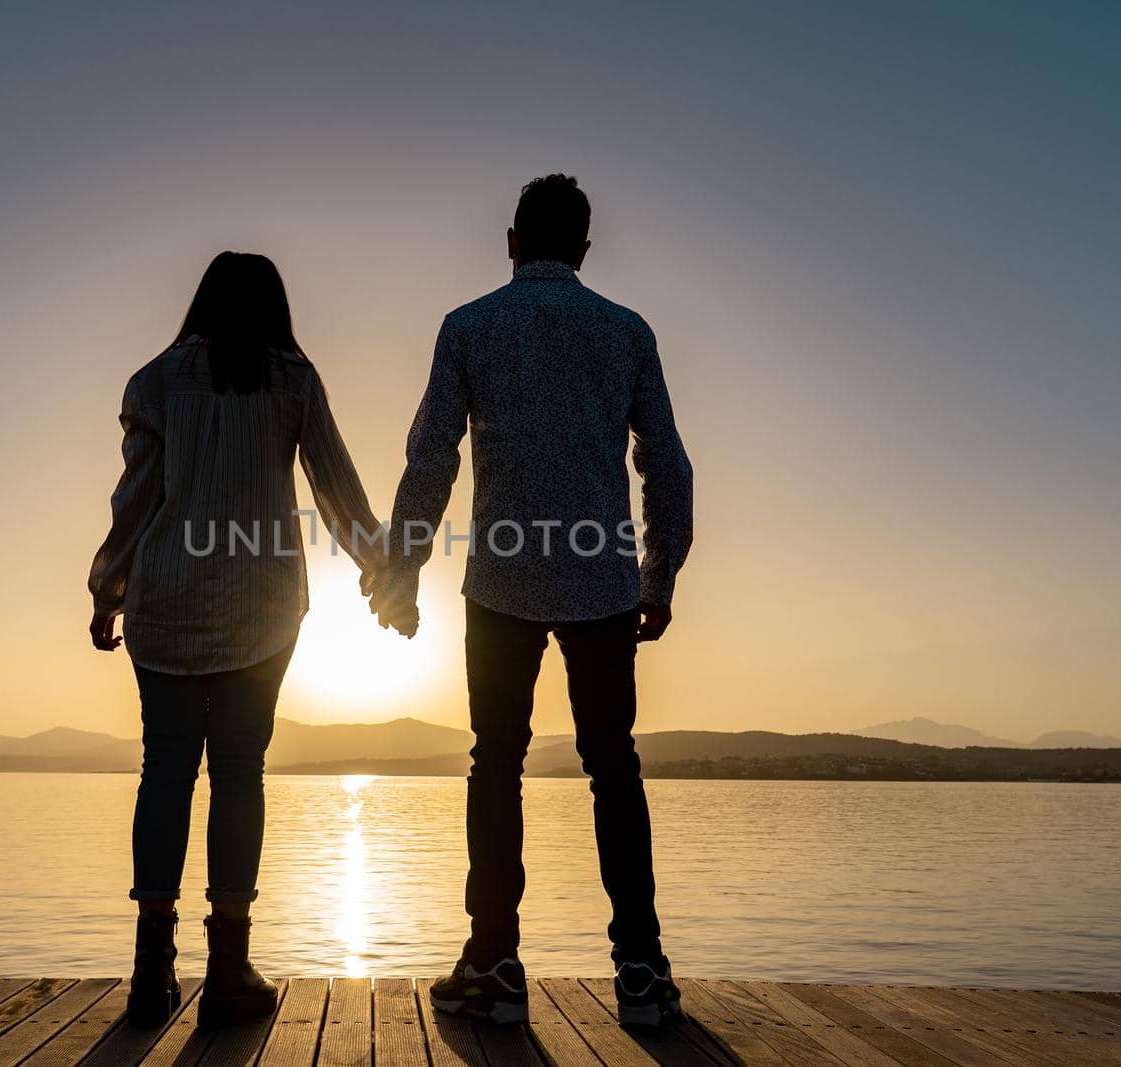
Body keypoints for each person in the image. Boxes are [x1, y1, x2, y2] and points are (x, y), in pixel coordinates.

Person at [371, 175, 694, 1030]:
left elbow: (430, 456)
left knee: (495, 762)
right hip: (601, 585)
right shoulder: (626, 332)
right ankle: (641, 970)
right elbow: (668, 466)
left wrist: (401, 568)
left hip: (503, 582)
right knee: (612, 764)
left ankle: (494, 963)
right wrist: (659, 578)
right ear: (584, 250)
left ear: (511, 241)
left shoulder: (469, 327)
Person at [88, 252, 397, 1029]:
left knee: (165, 770)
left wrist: (107, 587)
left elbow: (136, 499)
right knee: (238, 773)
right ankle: (228, 973)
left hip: (163, 596)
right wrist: (380, 570)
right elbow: (335, 485)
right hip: (262, 608)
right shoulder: (292, 379)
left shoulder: (155, 381)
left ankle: (149, 976)